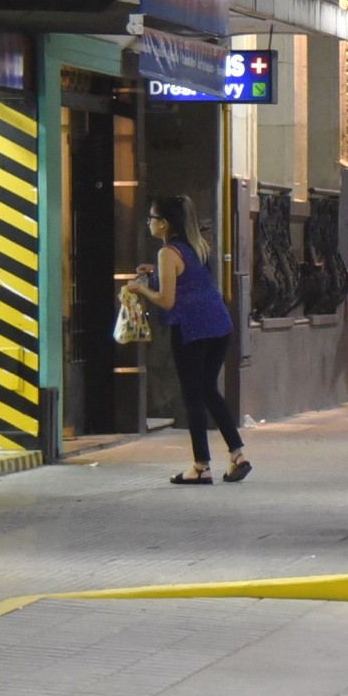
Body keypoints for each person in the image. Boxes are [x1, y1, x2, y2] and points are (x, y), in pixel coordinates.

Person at [125, 194, 247, 484]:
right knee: (208, 391)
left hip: (192, 330)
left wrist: (140, 289)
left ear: (164, 224)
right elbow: (188, 279)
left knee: (193, 396)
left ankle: (201, 466)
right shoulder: (194, 245)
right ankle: (238, 455)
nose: (149, 223)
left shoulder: (168, 252)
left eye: (152, 218)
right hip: (219, 325)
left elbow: (167, 301)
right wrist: (154, 274)